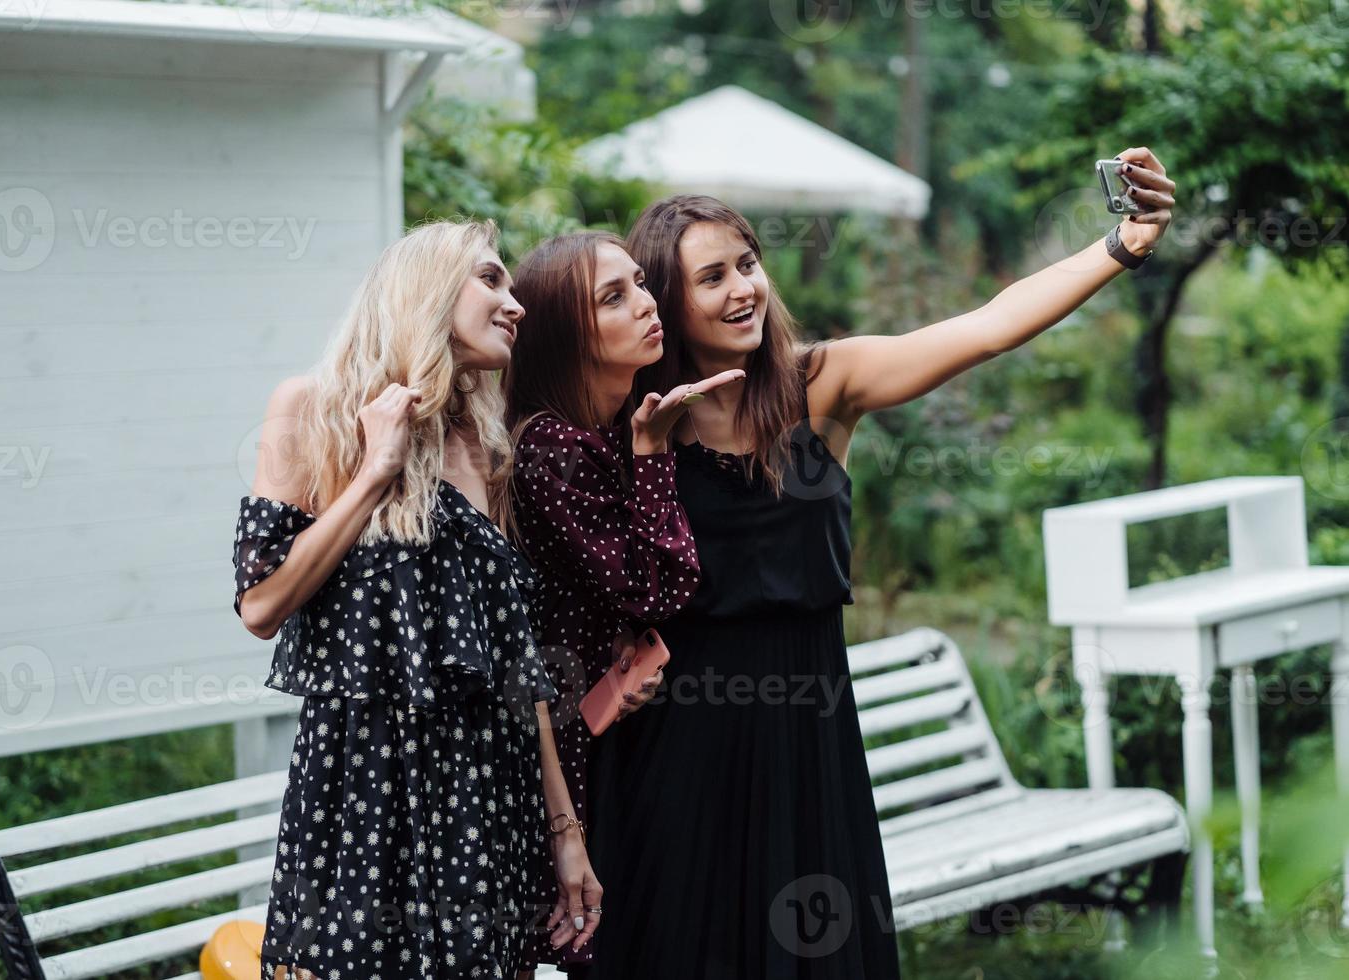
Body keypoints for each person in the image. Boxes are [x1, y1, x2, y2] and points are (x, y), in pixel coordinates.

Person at [584, 149, 1176, 978]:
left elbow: (986, 327)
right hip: (680, 751)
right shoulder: (634, 432)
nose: (743, 289)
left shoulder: (820, 386)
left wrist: (1125, 243)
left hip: (805, 732)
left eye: (747, 264)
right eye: (711, 278)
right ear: (666, 303)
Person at [231, 218, 602, 980]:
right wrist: (374, 474)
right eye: (490, 279)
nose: (516, 303)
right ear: (428, 289)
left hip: (484, 796)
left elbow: (518, 670)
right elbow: (261, 606)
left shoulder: (484, 446)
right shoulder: (311, 410)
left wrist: (565, 833)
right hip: (364, 788)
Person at [501, 231, 745, 976]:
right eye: (615, 297)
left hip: (606, 729)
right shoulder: (549, 447)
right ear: (566, 332)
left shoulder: (603, 431)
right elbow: (659, 587)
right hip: (556, 753)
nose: (646, 304)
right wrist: (652, 457)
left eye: (640, 284)